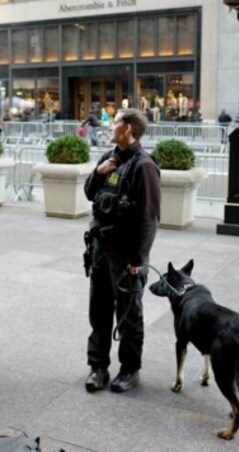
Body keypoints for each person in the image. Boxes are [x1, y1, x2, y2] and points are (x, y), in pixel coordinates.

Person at [82, 108, 161, 393]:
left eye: (115, 122)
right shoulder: (110, 158)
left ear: (127, 128)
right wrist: (98, 172)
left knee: (129, 315)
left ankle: (129, 369)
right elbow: (90, 193)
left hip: (126, 257)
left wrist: (138, 260)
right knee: (99, 310)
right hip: (101, 250)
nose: (110, 126)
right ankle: (98, 367)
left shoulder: (144, 166)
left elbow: (149, 218)